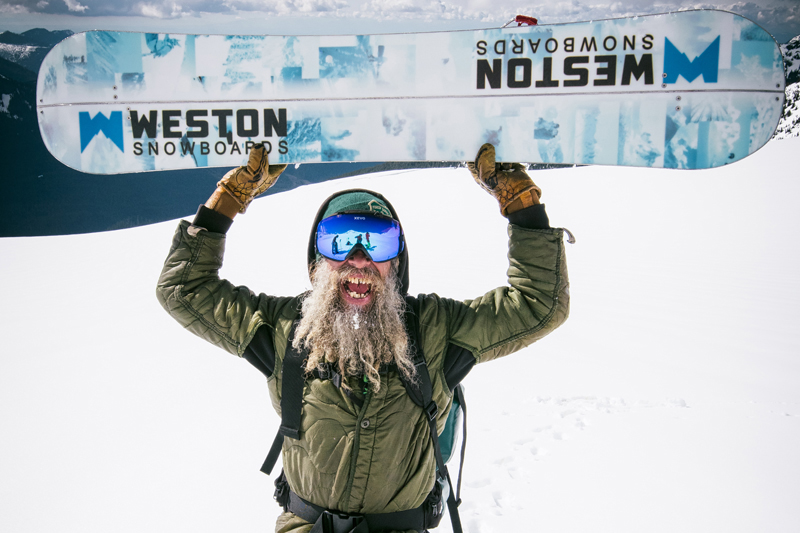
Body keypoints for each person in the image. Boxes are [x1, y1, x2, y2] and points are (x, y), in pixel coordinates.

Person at [156, 143, 570, 533]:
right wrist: (231, 197)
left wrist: (520, 201)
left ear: (397, 259)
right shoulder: (286, 329)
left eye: (377, 241)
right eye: (339, 241)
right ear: (318, 261)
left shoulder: (435, 330)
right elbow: (182, 290)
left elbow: (539, 303)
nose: (359, 258)